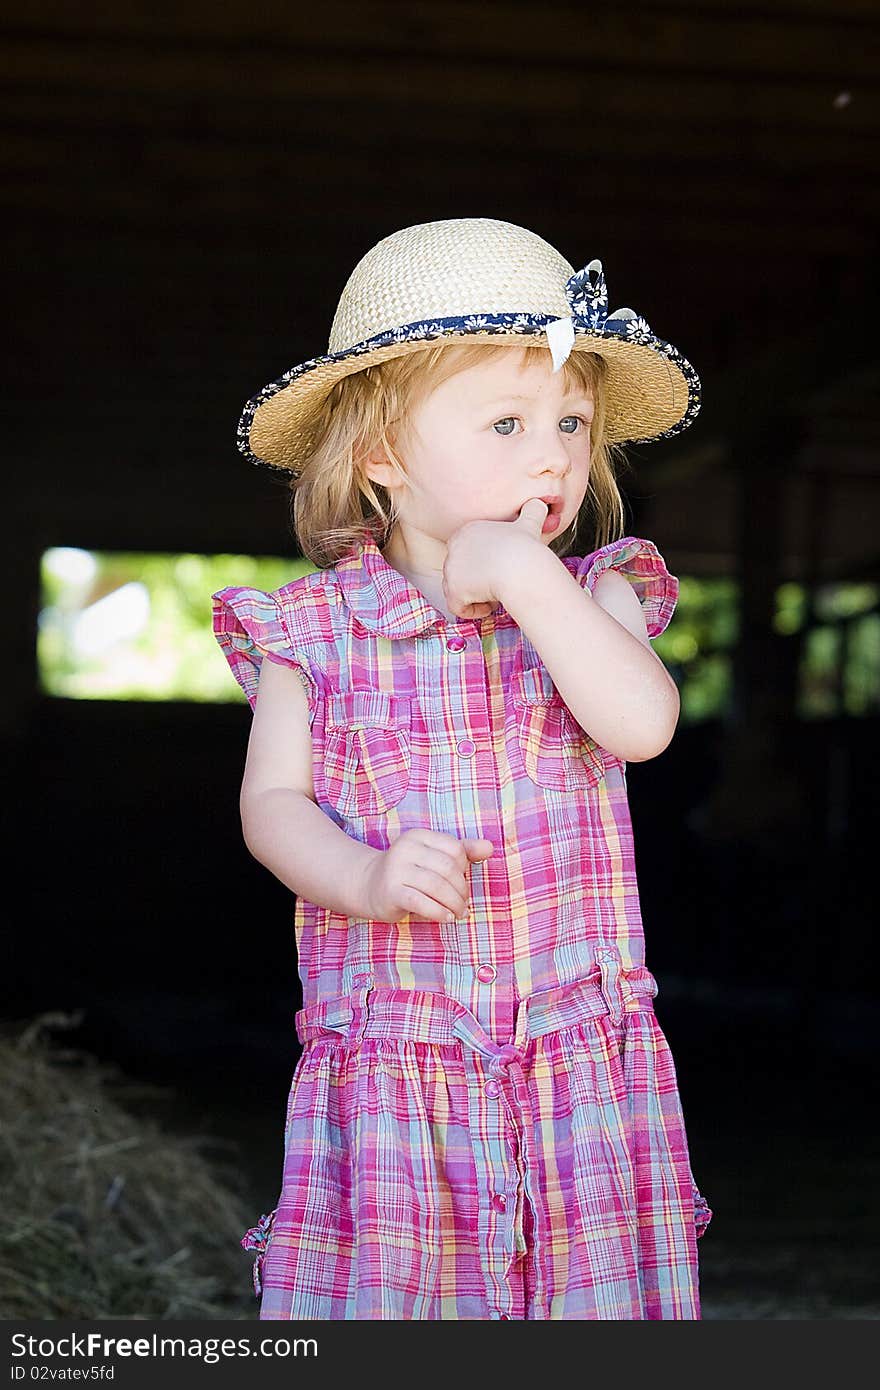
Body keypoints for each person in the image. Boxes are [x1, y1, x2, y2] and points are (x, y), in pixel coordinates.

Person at [212, 217, 712, 1321]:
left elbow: (640, 725)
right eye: (506, 422)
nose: (553, 455)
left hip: (577, 1072)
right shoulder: (311, 632)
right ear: (382, 453)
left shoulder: (599, 593)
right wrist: (366, 879)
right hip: (400, 1063)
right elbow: (271, 806)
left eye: (571, 423)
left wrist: (529, 581)